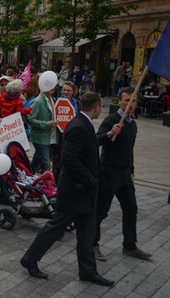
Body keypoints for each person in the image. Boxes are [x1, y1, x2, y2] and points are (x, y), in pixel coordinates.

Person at [20, 92, 115, 287]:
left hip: (84, 191)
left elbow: (89, 145)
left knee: (87, 232)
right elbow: (69, 158)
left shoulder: (83, 124)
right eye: (100, 107)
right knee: (55, 228)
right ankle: (30, 259)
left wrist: (107, 136)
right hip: (75, 191)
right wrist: (90, 179)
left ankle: (88, 271)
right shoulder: (78, 125)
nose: (101, 110)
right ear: (96, 107)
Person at [94, 87, 151, 261]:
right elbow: (95, 140)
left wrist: (131, 171)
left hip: (125, 173)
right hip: (109, 171)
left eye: (133, 101)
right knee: (101, 210)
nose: (130, 104)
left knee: (131, 209)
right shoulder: (112, 120)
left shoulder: (132, 123)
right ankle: (92, 244)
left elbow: (129, 150)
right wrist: (110, 132)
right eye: (127, 100)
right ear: (119, 101)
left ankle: (130, 245)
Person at [29, 84, 57, 173]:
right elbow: (31, 120)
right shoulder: (37, 101)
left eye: (53, 85)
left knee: (36, 162)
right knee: (46, 165)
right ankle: (46, 186)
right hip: (40, 138)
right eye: (49, 85)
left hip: (50, 137)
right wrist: (47, 124)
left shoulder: (53, 100)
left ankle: (27, 180)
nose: (51, 88)